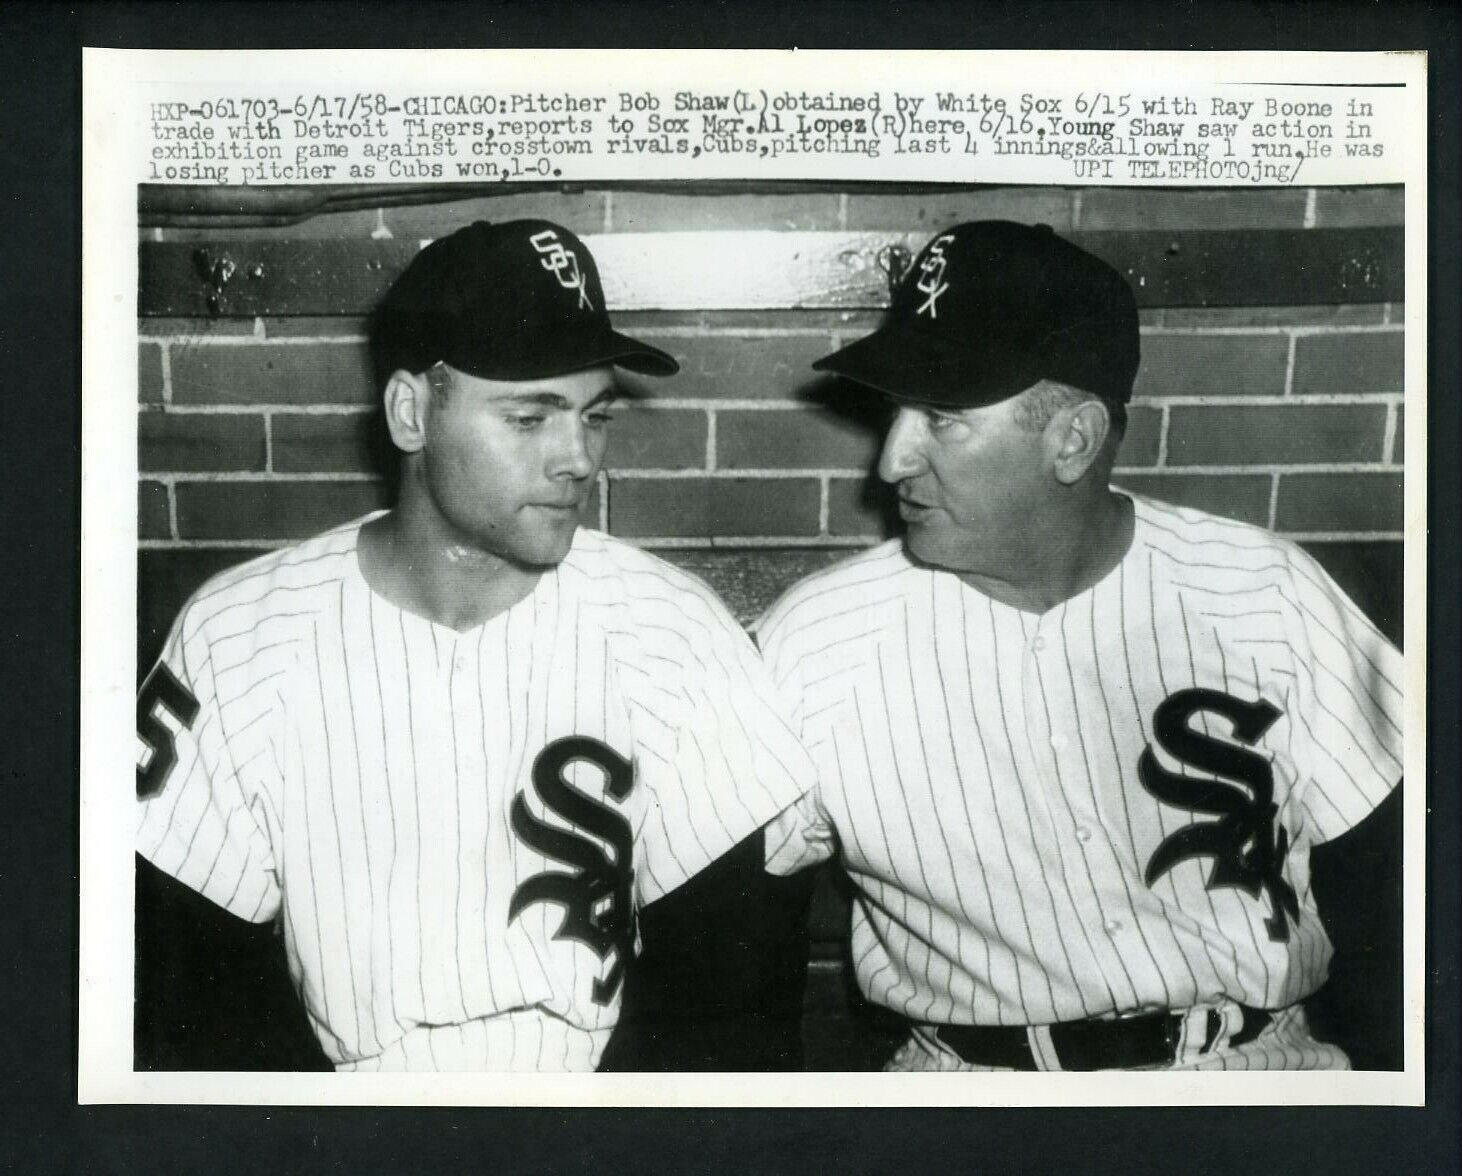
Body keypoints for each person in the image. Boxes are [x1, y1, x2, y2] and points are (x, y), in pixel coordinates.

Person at [134, 219, 816, 1072]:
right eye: (531, 417)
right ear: (411, 412)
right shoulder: (237, 632)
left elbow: (730, 997)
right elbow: (189, 983)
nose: (577, 459)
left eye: (592, 417)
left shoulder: (671, 626)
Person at [759, 221, 1404, 1071]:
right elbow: (727, 943)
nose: (891, 462)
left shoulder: (1264, 591)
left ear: (1072, 439)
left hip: (1253, 1072)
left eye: (942, 419)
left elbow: (1402, 892)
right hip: (971, 1097)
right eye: (894, 413)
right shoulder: (817, 640)